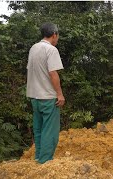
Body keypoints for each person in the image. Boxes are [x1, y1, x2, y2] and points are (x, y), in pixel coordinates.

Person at [26, 22, 65, 164]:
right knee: (50, 131)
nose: (58, 38)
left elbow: (32, 70)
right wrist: (59, 94)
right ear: (54, 34)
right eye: (58, 35)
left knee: (39, 128)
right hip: (48, 97)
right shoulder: (51, 50)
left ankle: (38, 156)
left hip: (34, 97)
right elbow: (53, 73)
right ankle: (45, 161)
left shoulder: (33, 48)